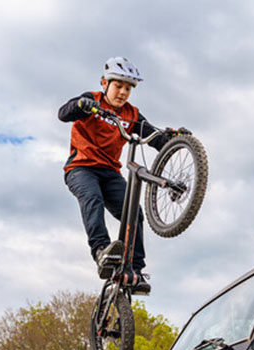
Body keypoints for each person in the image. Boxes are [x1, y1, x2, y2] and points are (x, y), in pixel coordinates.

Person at [59, 56, 177, 295]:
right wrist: (80, 105)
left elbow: (152, 136)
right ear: (105, 83)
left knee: (133, 212)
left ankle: (134, 268)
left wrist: (175, 139)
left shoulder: (131, 114)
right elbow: (64, 113)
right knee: (93, 199)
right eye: (118, 86)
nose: (122, 92)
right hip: (81, 168)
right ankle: (102, 251)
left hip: (110, 173)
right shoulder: (92, 100)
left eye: (128, 88)